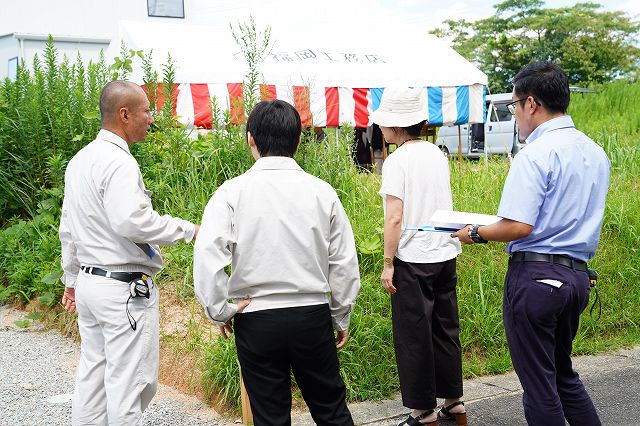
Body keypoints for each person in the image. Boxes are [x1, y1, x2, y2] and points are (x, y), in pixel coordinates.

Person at [452, 62, 609, 426]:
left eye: (514, 106)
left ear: (532, 103)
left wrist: (473, 232)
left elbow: (519, 226)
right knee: (562, 375)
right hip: (577, 279)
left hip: (536, 277)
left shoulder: (536, 153)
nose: (516, 115)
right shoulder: (594, 152)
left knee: (539, 385)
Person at [193, 99, 360, 426]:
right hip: (312, 316)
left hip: (256, 318)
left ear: (250, 139)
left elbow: (207, 255)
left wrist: (221, 310)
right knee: (331, 411)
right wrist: (340, 315)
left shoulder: (231, 192)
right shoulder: (321, 192)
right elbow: (343, 261)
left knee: (270, 418)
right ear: (298, 140)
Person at [59, 80, 198, 425]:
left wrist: (71, 279)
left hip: (91, 283)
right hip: (123, 288)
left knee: (93, 379)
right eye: (147, 110)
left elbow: (68, 227)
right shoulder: (120, 163)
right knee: (129, 386)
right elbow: (132, 221)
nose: (151, 118)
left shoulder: (80, 161)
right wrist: (189, 230)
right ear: (124, 114)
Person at [372, 88, 467, 426]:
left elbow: (394, 216)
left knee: (413, 334)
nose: (379, 127)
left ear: (396, 126)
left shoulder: (397, 160)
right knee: (446, 328)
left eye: (383, 122)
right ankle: (454, 402)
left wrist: (388, 263)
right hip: (445, 252)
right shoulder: (436, 154)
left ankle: (422, 411)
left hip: (413, 257)